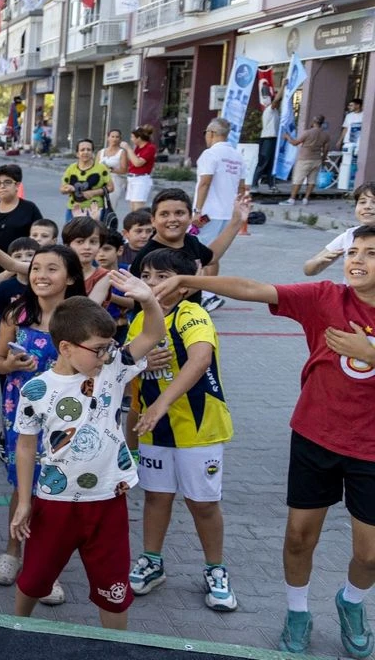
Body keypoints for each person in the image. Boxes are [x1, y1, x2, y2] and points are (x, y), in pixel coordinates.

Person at [151, 227, 375, 656]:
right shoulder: (326, 296)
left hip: (370, 449)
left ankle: (351, 601)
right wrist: (187, 280)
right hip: (315, 436)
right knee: (297, 538)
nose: (357, 259)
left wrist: (370, 354)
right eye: (352, 251)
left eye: (371, 252)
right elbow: (252, 288)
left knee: (368, 556)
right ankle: (296, 612)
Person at [12, 281, 164, 630]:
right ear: (65, 347)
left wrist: (148, 298)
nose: (106, 355)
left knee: (113, 589)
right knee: (34, 579)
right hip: (54, 503)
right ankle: (16, 629)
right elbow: (25, 445)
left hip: (109, 499)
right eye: (98, 349)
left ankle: (116, 647)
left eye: (109, 347)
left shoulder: (113, 368)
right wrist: (24, 501)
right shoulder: (36, 389)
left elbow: (154, 332)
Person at [127, 249, 237, 612]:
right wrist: (139, 364)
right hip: (153, 430)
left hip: (198, 428)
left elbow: (200, 358)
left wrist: (162, 404)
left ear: (184, 286)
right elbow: (126, 369)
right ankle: (152, 561)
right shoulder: (138, 321)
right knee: (156, 498)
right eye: (147, 275)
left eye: (162, 276)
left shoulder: (193, 315)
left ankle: (215, 568)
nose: (153, 283)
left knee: (203, 504)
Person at [0, 245, 87, 604]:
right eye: (36, 268)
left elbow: (93, 369)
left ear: (71, 278)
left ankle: (44, 567)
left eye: (52, 269)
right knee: (23, 483)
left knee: (53, 490)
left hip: (64, 418)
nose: (41, 275)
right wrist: (12, 364)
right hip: (21, 412)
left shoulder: (80, 320)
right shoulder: (16, 312)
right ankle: (12, 551)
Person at [193, 118, 246, 276]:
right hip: (227, 213)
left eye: (206, 133)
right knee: (214, 255)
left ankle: (205, 293)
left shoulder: (210, 154)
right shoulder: (237, 156)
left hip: (208, 213)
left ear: (212, 133)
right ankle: (211, 291)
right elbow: (242, 187)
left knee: (201, 253)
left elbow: (205, 183)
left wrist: (197, 210)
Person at [0, 164, 43, 279]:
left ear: (17, 185)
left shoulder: (29, 209)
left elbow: (40, 237)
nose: (2, 186)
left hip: (19, 270)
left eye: (7, 182)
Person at [305, 182, 375, 277]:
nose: (367, 207)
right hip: (351, 291)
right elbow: (309, 270)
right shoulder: (349, 236)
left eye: (374, 202)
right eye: (362, 202)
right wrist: (318, 262)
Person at [281, 115, 330, 207]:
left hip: (304, 159)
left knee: (298, 179)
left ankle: (292, 199)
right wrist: (323, 160)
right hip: (317, 159)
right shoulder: (325, 135)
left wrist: (287, 137)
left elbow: (295, 143)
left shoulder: (307, 133)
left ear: (314, 121)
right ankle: (306, 199)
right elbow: (326, 149)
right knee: (312, 180)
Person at [61, 139, 113, 222]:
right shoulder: (71, 168)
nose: (85, 152)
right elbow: (62, 189)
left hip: (94, 210)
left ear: (92, 153)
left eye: (89, 150)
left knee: (93, 234)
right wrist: (67, 189)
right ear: (77, 153)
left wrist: (93, 192)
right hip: (74, 208)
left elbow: (110, 187)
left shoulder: (101, 168)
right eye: (82, 150)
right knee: (71, 234)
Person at [121, 124, 158, 212]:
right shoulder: (138, 148)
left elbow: (138, 163)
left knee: (138, 208)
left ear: (139, 138)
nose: (131, 139)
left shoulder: (150, 148)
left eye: (133, 137)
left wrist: (128, 148)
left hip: (141, 179)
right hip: (132, 178)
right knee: (132, 207)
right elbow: (132, 161)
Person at [255, 93, 282, 189]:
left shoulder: (276, 112)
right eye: (278, 102)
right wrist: (283, 86)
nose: (279, 104)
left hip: (274, 139)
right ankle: (254, 183)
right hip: (267, 138)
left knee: (271, 162)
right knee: (263, 162)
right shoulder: (269, 110)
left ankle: (271, 183)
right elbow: (276, 100)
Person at [100, 130, 128, 207]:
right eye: (112, 136)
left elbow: (124, 170)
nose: (114, 139)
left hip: (114, 181)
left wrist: (110, 169)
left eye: (117, 137)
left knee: (110, 206)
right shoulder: (101, 152)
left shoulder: (122, 152)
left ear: (120, 139)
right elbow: (95, 167)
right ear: (108, 138)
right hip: (100, 180)